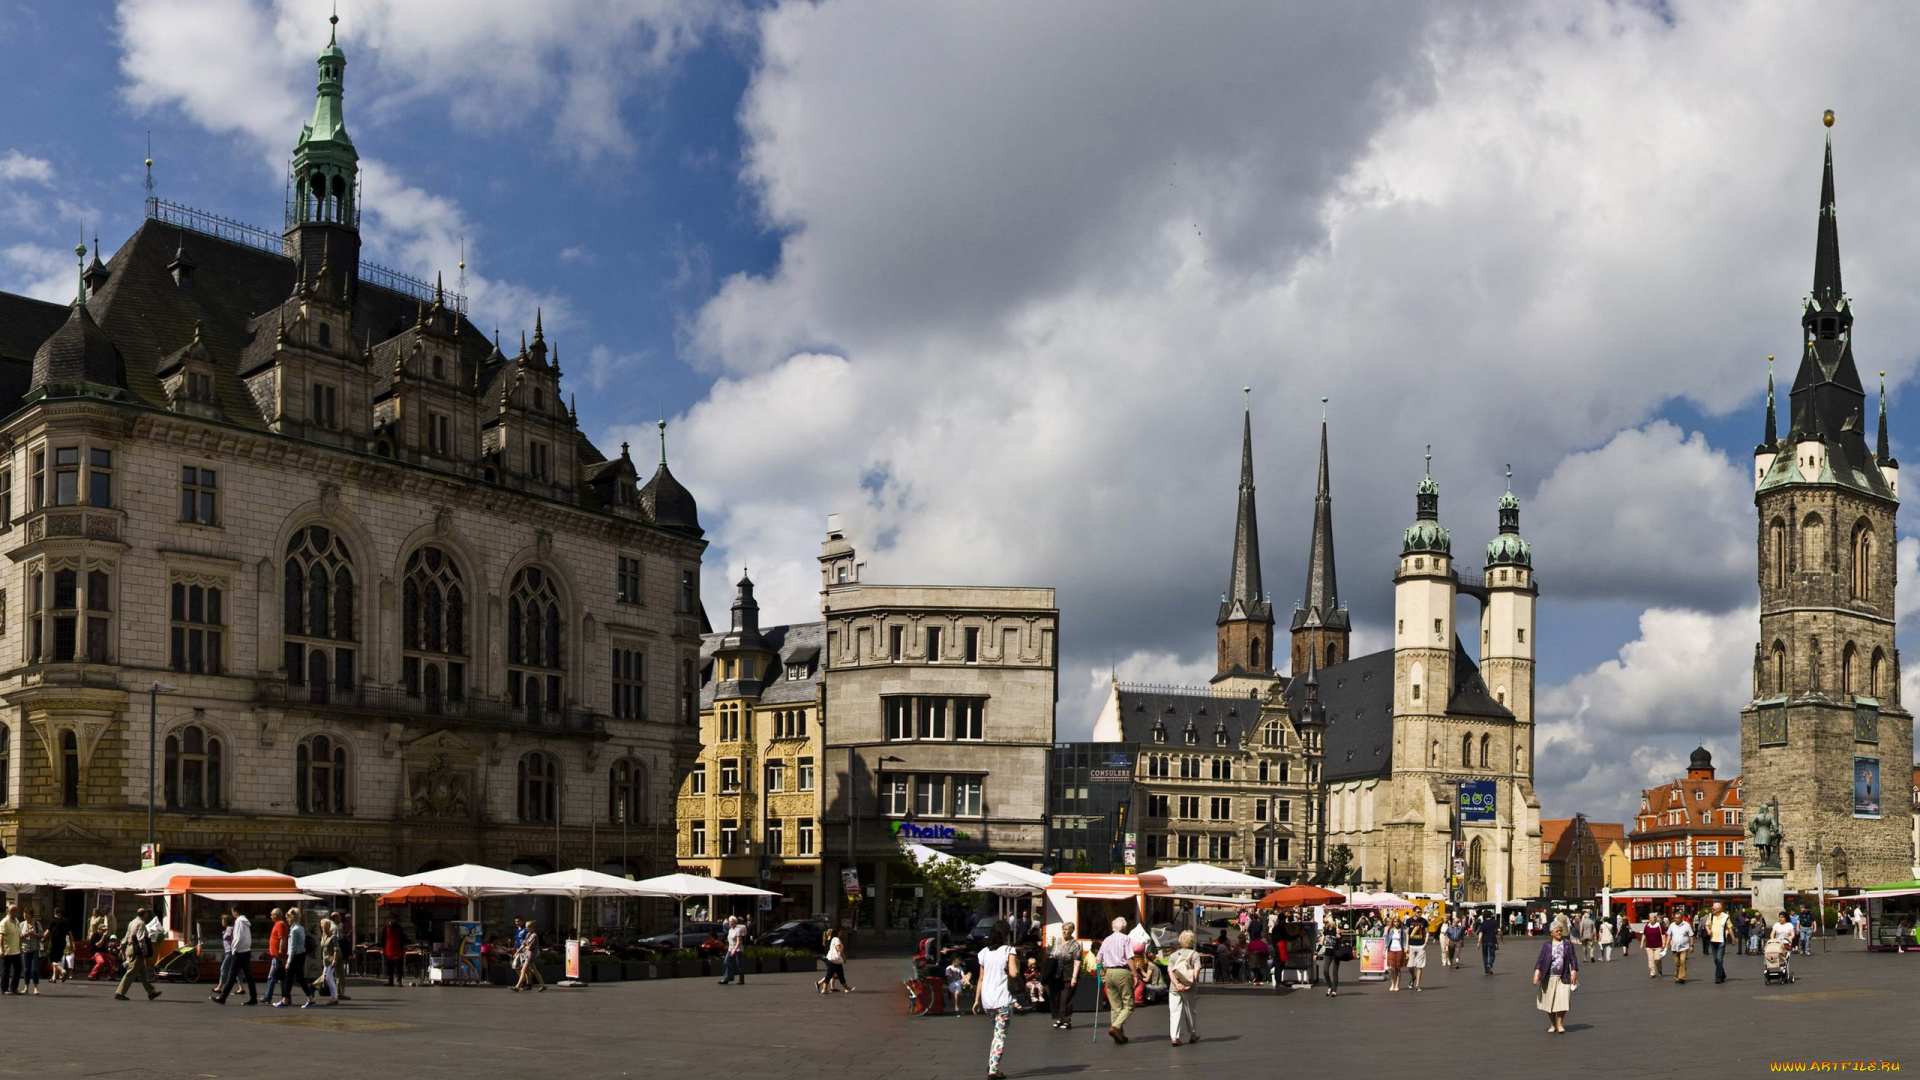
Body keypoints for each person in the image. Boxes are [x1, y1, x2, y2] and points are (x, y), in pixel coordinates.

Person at [978, 921, 1019, 1080]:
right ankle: (993, 1070)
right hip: (1003, 999)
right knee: (1000, 1035)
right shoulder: (1009, 950)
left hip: (987, 1000)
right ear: (1006, 935)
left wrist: (976, 1000)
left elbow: (981, 978)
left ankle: (992, 1062)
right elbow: (1014, 974)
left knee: (996, 1032)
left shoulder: (983, 953)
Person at [1532, 916, 1578, 1034]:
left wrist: (1573, 972)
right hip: (1549, 976)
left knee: (1563, 1000)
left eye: (1560, 930)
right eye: (1557, 931)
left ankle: (1560, 1023)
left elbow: (1573, 959)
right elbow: (1540, 960)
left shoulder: (1568, 944)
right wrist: (1536, 974)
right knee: (1549, 1001)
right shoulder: (1547, 945)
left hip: (1563, 976)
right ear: (1551, 932)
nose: (1559, 932)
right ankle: (1552, 1024)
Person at [1096, 917, 1135, 1044]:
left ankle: (1119, 1034)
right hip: (1121, 971)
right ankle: (1116, 1027)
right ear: (1123, 927)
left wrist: (1101, 972)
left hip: (1109, 972)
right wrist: (1135, 974)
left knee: (1115, 1006)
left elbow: (1098, 959)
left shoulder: (1107, 940)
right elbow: (1129, 958)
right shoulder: (1126, 938)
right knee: (1128, 1004)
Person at [114, 906, 160, 1002]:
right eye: (147, 914)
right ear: (144, 914)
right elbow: (141, 938)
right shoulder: (141, 923)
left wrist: (122, 947)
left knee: (143, 973)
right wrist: (144, 950)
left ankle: (151, 992)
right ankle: (120, 992)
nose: (147, 916)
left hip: (130, 948)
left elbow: (127, 936)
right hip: (137, 950)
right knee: (131, 972)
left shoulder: (132, 922)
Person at [1166, 930, 1201, 1047]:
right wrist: (1190, 983)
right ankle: (1192, 1034)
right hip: (1189, 988)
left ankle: (1174, 1037)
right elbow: (1197, 970)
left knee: (1174, 1012)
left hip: (1175, 988)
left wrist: (1176, 984)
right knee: (1190, 1011)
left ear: (1180, 941)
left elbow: (1170, 971)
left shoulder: (1174, 955)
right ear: (1192, 941)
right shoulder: (1195, 954)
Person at [217, 905, 259, 1004]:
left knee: (232, 975)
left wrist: (234, 948)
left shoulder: (239, 921)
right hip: (246, 951)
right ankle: (253, 998)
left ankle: (222, 998)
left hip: (239, 952)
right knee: (248, 976)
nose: (232, 914)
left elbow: (238, 937)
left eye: (232, 911)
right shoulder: (245, 922)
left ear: (236, 911)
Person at [1045, 923, 1080, 1029]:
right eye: (1063, 929)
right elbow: (1051, 955)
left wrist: (1074, 977)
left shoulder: (1075, 944)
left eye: (1066, 929)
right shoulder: (1057, 941)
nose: (1064, 931)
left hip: (1068, 972)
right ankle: (1058, 1018)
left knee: (1065, 997)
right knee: (1055, 996)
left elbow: (1077, 961)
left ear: (1071, 931)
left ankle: (1066, 1020)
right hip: (1056, 972)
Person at [512, 920, 546, 992]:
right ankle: (543, 985)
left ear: (531, 927)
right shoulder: (528, 934)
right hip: (527, 954)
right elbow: (523, 944)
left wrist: (525, 947)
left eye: (527, 927)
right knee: (534, 970)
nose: (526, 928)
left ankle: (517, 986)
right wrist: (517, 952)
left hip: (530, 955)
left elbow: (530, 947)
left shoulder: (534, 935)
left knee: (523, 970)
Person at [1705, 902, 1732, 985]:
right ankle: (1722, 974)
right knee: (1716, 959)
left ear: (1719, 909)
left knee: (1719, 959)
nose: (1712, 910)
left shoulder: (1725, 917)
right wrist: (1708, 930)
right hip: (1713, 940)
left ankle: (1718, 977)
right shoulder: (1710, 916)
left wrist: (1733, 938)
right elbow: (1707, 925)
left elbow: (1730, 928)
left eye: (1714, 908)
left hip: (1721, 940)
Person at [1318, 917, 1346, 996]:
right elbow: (1321, 943)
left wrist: (1339, 937)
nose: (1325, 924)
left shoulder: (1336, 930)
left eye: (1326, 922)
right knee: (1325, 971)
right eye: (1324, 923)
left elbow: (1341, 940)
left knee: (1335, 972)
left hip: (1336, 953)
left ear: (1330, 922)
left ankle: (1334, 990)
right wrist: (1316, 952)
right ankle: (1330, 986)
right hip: (1327, 953)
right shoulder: (1325, 932)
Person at [319, 918, 341, 1005]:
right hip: (325, 960)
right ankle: (333, 996)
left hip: (331, 959)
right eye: (323, 927)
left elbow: (336, 949)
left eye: (325, 927)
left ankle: (334, 997)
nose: (324, 928)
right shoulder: (323, 936)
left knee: (329, 978)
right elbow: (323, 949)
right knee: (325, 978)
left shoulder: (333, 937)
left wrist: (334, 960)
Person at [718, 915, 746, 985]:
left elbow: (739, 942)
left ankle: (741, 980)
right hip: (730, 949)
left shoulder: (738, 930)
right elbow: (730, 940)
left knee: (739, 965)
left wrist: (734, 950)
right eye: (729, 922)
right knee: (726, 962)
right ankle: (726, 978)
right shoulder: (730, 930)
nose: (730, 923)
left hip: (737, 949)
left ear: (735, 922)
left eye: (731, 922)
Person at [20, 909, 42, 995]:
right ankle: (26, 987)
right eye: (24, 913)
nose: (25, 915)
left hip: (34, 949)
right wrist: (23, 935)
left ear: (31, 915)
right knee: (26, 970)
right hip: (25, 949)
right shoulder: (21, 924)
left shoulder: (36, 924)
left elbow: (41, 935)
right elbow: (18, 935)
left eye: (27, 913)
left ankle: (36, 987)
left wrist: (34, 934)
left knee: (34, 970)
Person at [0, 904, 21, 995]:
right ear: (11, 911)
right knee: (6, 970)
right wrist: (1, 949)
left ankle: (14, 987)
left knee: (18, 969)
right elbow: (1, 936)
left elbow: (17, 935)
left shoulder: (16, 921)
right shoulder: (4, 922)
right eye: (16, 910)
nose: (18, 912)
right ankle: (4, 989)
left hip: (16, 950)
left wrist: (19, 946)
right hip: (7, 951)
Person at [1668, 912, 1692, 985]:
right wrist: (1666, 945)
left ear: (1681, 918)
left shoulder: (1687, 925)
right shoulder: (1672, 925)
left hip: (1684, 947)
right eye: (1675, 918)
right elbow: (1669, 935)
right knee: (1677, 963)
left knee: (1682, 961)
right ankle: (1677, 975)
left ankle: (1681, 977)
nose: (1676, 919)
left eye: (1677, 918)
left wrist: (1692, 945)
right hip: (1675, 947)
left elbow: (1691, 935)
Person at [1405, 914, 1428, 991]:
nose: (1419, 913)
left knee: (1419, 966)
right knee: (1410, 966)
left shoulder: (1423, 921)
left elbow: (1427, 932)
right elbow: (1407, 933)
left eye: (1420, 911)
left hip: (1421, 945)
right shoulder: (1409, 921)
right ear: (1414, 912)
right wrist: (1406, 945)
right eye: (1418, 911)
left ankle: (1417, 985)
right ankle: (1413, 976)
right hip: (1411, 945)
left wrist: (1425, 942)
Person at [1383, 917, 1407, 992]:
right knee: (1390, 968)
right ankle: (1392, 983)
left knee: (1397, 968)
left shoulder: (1402, 931)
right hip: (1391, 950)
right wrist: (1384, 950)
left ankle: (1397, 985)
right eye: (1395, 922)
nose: (1396, 923)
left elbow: (1404, 941)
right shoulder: (1390, 930)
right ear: (1393, 922)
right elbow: (1386, 941)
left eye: (1397, 922)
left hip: (1399, 950)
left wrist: (1406, 951)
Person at [47, 912, 70, 984]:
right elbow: (70, 933)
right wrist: (72, 943)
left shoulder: (53, 921)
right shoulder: (65, 922)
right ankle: (53, 977)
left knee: (51, 961)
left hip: (54, 943)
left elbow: (48, 931)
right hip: (62, 943)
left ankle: (63, 970)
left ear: (55, 913)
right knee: (56, 960)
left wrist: (43, 938)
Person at [383, 914, 406, 986]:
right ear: (389, 919)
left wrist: (402, 947)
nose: (394, 920)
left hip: (398, 950)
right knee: (390, 967)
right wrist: (383, 948)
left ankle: (399, 981)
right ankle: (390, 981)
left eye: (395, 919)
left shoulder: (399, 928)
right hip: (389, 950)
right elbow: (383, 938)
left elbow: (402, 937)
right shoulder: (385, 928)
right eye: (392, 919)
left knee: (399, 967)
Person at [1478, 910, 1501, 975]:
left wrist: (1479, 942)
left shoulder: (1483, 923)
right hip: (1492, 940)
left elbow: (1480, 933)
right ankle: (1489, 965)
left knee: (1485, 955)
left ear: (1484, 916)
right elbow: (1499, 931)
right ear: (1491, 915)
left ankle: (1486, 970)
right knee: (1492, 955)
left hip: (1484, 941)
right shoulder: (1495, 922)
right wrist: (1501, 938)